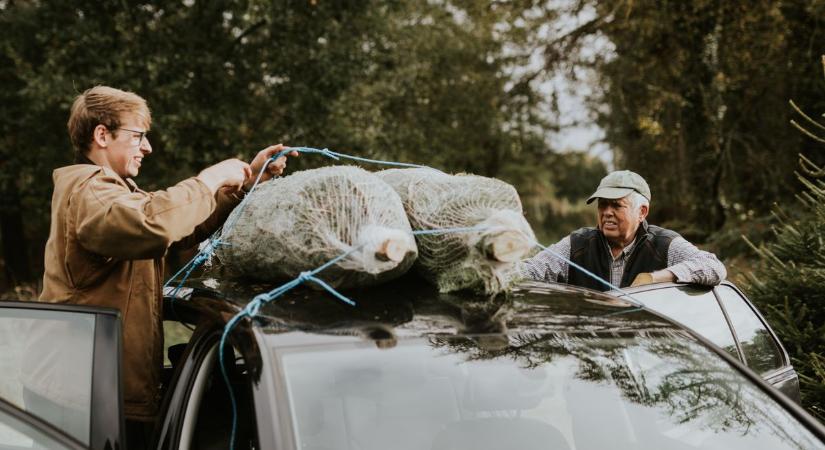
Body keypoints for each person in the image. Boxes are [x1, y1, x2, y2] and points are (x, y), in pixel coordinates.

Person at [36, 86, 297, 441]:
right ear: (101, 135)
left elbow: (178, 226)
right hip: (81, 398)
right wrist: (210, 178)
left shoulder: (116, 191)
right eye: (138, 136)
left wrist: (246, 183)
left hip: (91, 390)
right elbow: (153, 224)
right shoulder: (91, 192)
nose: (147, 147)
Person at [520, 170, 726, 291]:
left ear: (642, 212)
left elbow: (713, 267)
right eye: (603, 205)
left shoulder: (664, 244)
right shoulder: (577, 244)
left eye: (617, 206)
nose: (607, 213)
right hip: (590, 355)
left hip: (650, 356)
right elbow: (532, 271)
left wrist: (655, 278)